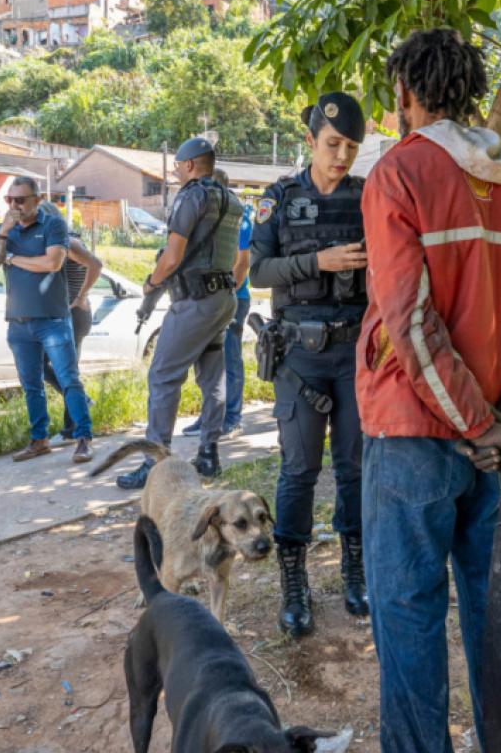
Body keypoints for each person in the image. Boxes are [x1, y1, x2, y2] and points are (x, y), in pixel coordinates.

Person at [359, 29, 501, 752]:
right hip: (497, 450)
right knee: (496, 624)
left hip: (414, 436)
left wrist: (478, 423)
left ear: (405, 95)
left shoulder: (400, 172)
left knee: (409, 616)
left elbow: (410, 320)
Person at [249, 92, 370, 638]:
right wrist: (317, 262)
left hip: (355, 353)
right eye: (332, 144)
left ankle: (355, 568)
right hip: (299, 355)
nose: (342, 156)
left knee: (354, 467)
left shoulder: (369, 197)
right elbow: (258, 272)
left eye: (350, 147)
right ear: (311, 141)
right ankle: (293, 580)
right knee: (299, 470)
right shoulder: (278, 198)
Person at [116, 138, 243, 490]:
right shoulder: (230, 199)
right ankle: (208, 453)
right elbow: (234, 257)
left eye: (176, 165)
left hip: (196, 302)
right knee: (212, 377)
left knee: (162, 376)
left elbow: (172, 257)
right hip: (223, 298)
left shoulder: (191, 195)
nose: (174, 171)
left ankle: (155, 463)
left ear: (189, 165)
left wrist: (150, 283)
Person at [0, 177, 94, 464]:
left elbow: (52, 263)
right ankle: (39, 440)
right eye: (10, 200)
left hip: (52, 319)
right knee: (31, 384)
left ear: (37, 199)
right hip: (19, 322)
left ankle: (83, 438)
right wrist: (4, 233)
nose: (15, 205)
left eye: (21, 199)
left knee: (69, 379)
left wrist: (14, 259)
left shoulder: (53, 225)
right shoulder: (2, 231)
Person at [183, 170, 250, 440]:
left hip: (234, 298)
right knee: (209, 364)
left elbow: (242, 262)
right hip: (210, 299)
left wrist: (227, 292)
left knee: (230, 359)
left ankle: (232, 417)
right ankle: (209, 417)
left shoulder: (239, 218)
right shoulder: (208, 217)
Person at [41, 205, 103, 448]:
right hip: (67, 314)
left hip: (75, 315)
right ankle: (76, 412)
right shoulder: (61, 240)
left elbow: (96, 265)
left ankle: (71, 428)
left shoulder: (68, 241)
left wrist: (81, 296)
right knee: (54, 367)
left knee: (65, 370)